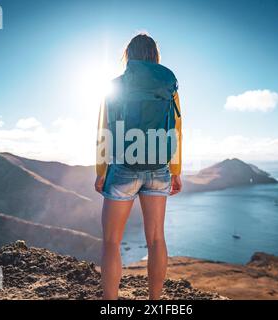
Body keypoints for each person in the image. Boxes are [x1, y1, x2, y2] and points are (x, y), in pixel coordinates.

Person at [94, 33, 182, 300]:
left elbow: (104, 131)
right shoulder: (169, 86)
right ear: (155, 56)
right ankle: (154, 303)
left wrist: (101, 171)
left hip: (123, 168)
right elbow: (176, 130)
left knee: (111, 242)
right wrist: (175, 171)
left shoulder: (115, 86)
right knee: (156, 239)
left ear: (128, 56)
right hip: (159, 168)